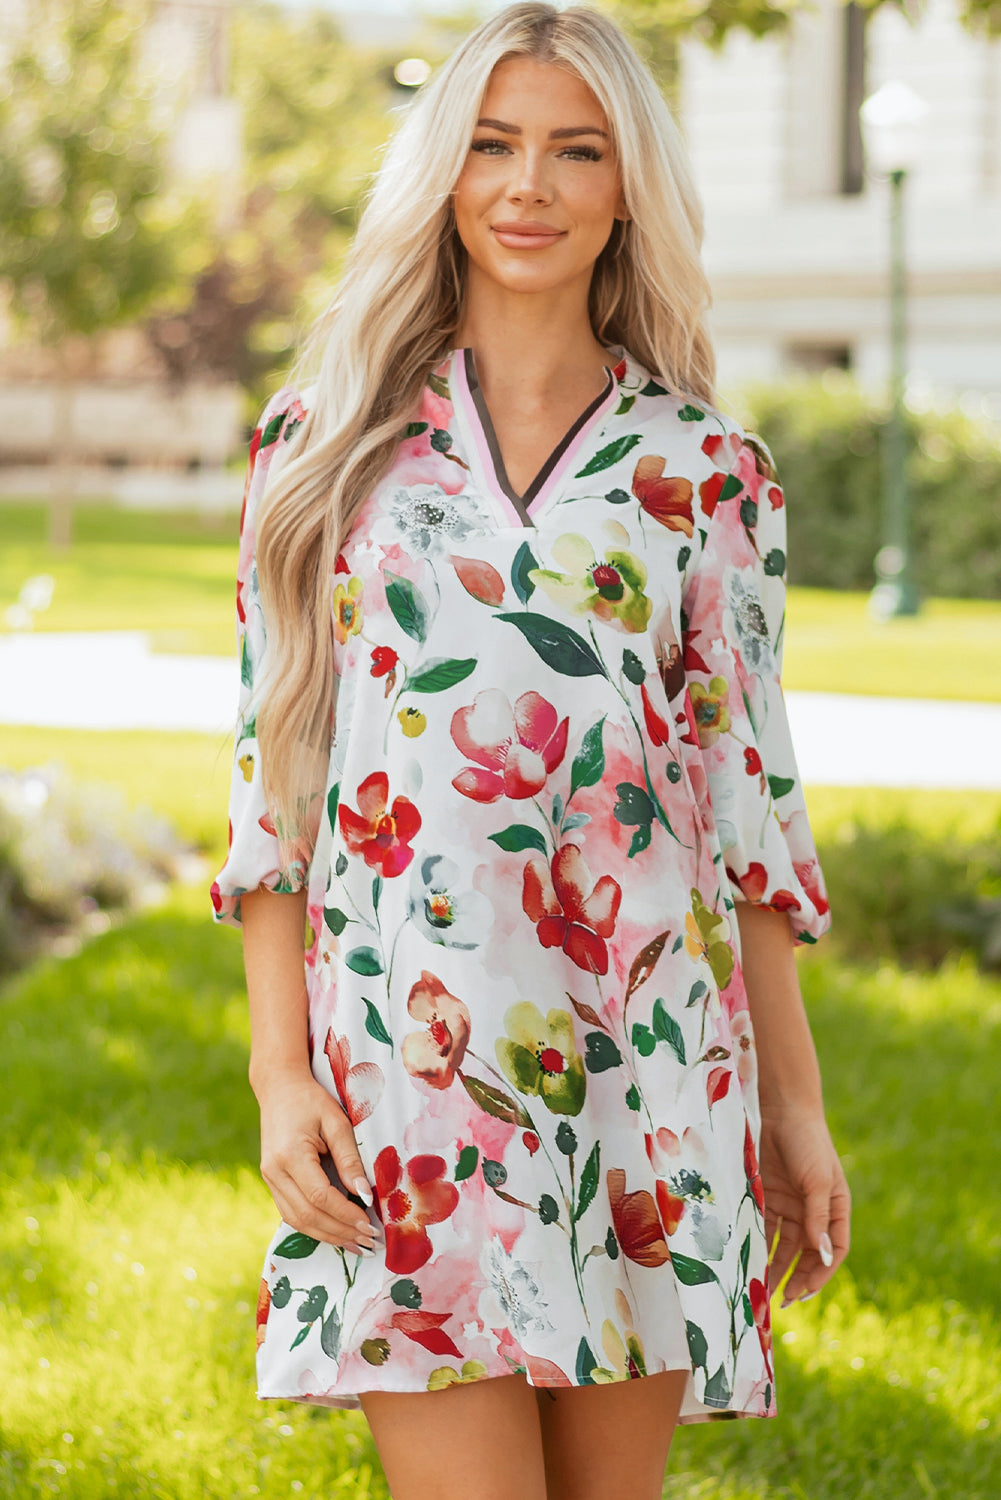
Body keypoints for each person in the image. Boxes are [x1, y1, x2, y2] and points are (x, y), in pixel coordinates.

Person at [211, 5, 851, 1496]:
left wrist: (793, 1107)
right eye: (492, 146)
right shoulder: (323, 448)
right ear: (441, 173)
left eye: (575, 151)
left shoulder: (705, 471)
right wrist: (277, 1070)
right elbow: (273, 774)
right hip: (405, 1064)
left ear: (628, 186)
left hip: (643, 1062)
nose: (528, 185)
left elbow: (745, 801)